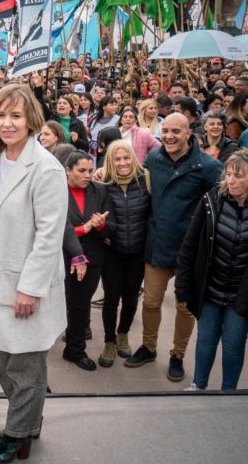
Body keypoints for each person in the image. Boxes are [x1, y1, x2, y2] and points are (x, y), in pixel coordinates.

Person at [0, 84, 68, 462]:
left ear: (31, 120)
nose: (7, 123)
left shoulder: (45, 168)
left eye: (15, 116)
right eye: (0, 115)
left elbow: (49, 235)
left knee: (25, 364)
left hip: (23, 283)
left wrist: (29, 288)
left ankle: (18, 437)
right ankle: (28, 418)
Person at [177, 149, 248, 390]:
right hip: (211, 289)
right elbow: (189, 246)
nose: (231, 180)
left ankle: (229, 393)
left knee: (234, 344)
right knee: (205, 341)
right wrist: (182, 288)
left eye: (238, 175)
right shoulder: (211, 201)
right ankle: (199, 386)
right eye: (228, 174)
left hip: (243, 293)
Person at [126, 113, 222, 381]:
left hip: (190, 250)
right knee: (152, 302)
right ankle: (148, 347)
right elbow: (137, 185)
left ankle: (177, 354)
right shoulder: (154, 159)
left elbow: (217, 208)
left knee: (184, 307)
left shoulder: (208, 167)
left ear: (189, 133)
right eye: (165, 130)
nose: (168, 136)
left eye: (175, 131)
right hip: (157, 243)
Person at [96, 141, 151, 368]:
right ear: (110, 161)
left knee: (130, 297)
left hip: (137, 251)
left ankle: (123, 334)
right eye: (117, 159)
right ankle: (109, 341)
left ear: (133, 158)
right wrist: (102, 234)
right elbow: (95, 215)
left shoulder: (146, 179)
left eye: (126, 158)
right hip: (113, 251)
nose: (122, 163)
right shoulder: (103, 183)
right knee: (111, 298)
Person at [63, 151, 113, 371]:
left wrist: (101, 225)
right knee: (62, 305)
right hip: (62, 257)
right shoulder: (57, 192)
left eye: (90, 171)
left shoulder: (100, 190)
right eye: (81, 171)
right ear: (68, 171)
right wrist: (84, 229)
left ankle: (75, 350)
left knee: (81, 306)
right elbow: (54, 229)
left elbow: (112, 226)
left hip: (92, 258)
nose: (87, 175)